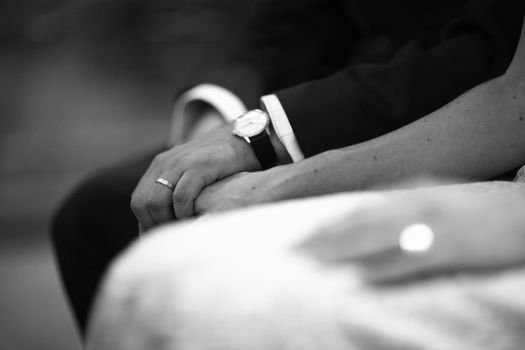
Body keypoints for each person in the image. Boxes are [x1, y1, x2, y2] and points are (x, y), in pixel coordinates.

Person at [53, 0, 525, 333]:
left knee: (195, 271)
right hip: (326, 91)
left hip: (431, 116)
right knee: (97, 212)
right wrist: (216, 122)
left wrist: (267, 148)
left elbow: (493, 67)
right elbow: (297, 18)